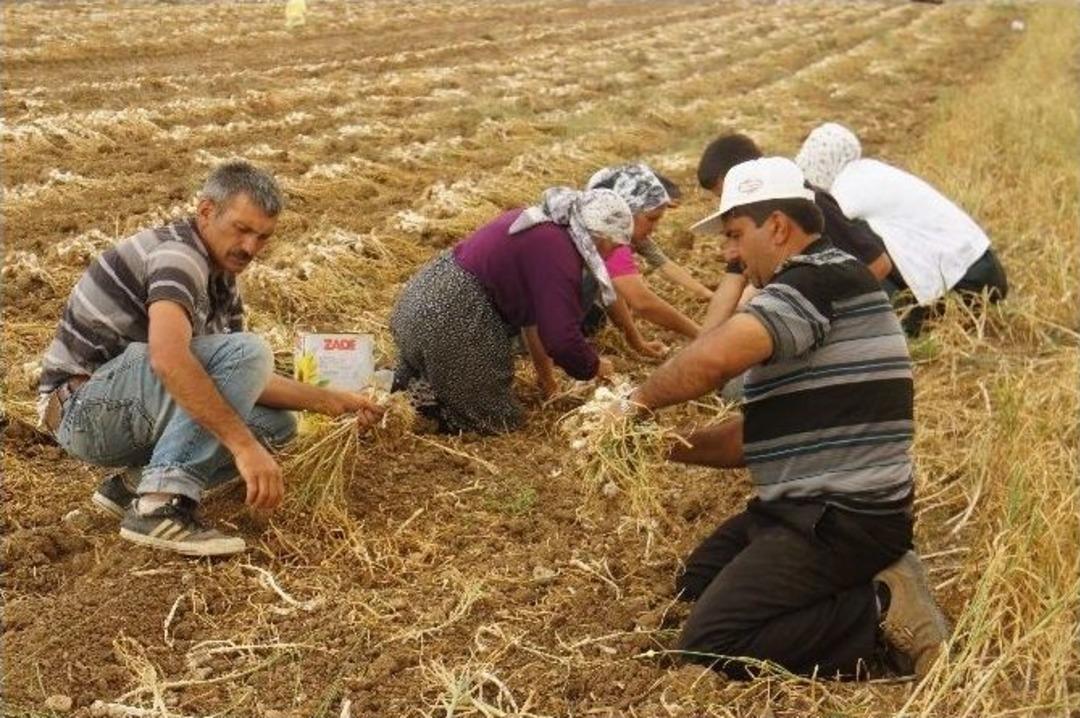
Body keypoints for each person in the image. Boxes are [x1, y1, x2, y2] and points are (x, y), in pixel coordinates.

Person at [626, 157, 951, 679]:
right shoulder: (815, 289)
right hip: (802, 508)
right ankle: (877, 578)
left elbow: (711, 358)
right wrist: (661, 445)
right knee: (697, 582)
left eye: (734, 235)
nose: (729, 254)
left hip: (842, 518)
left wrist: (633, 405)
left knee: (712, 645)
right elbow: (753, 440)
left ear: (777, 226)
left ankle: (879, 609)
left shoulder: (818, 280)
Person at [38, 161, 383, 557]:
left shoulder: (222, 279)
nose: (251, 247)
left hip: (124, 410)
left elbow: (239, 375)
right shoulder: (178, 257)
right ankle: (159, 504)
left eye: (262, 237)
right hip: (81, 410)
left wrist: (334, 402)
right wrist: (242, 447)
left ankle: (132, 485)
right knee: (249, 375)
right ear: (206, 211)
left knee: (277, 425)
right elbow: (170, 359)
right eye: (242, 229)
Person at [389, 188, 629, 434]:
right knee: (499, 421)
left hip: (418, 306)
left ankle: (422, 385)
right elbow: (561, 338)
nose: (612, 254)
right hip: (453, 319)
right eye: (616, 245)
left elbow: (533, 322)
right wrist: (594, 365)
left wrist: (547, 381)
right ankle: (433, 411)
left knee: (430, 380)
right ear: (602, 236)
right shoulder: (560, 252)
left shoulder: (541, 225)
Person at [796, 122, 1008, 334]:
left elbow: (822, 231)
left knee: (848, 241)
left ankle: (903, 317)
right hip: (986, 272)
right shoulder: (872, 172)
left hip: (967, 283)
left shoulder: (847, 186)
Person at [696, 133, 892, 331]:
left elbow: (879, 264)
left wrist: (833, 316)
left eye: (726, 193)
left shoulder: (809, 203)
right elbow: (733, 283)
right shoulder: (749, 226)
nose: (725, 204)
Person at [583, 164, 703, 341]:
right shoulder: (610, 240)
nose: (655, 228)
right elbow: (642, 302)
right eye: (651, 219)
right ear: (623, 211)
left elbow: (611, 293)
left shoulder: (605, 233)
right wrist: (701, 334)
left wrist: (636, 341)